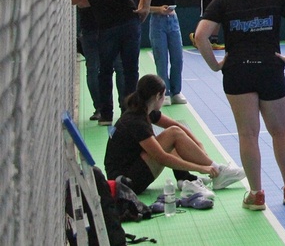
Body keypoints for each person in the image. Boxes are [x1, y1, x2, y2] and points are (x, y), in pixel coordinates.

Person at [194, 0, 285, 210]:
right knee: (280, 131)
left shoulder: (223, 1)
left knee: (248, 134)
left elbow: (201, 35)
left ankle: (256, 194)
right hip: (270, 69)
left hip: (237, 72)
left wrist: (215, 65)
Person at [104, 74, 245, 195]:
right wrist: (201, 168)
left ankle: (185, 179)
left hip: (131, 169)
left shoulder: (145, 108)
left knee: (174, 133)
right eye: (164, 94)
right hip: (126, 183)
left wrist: (198, 143)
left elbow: (177, 126)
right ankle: (218, 172)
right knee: (172, 135)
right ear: (158, 96)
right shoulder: (136, 121)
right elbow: (162, 157)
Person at [72, 0, 154, 125]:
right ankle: (129, 111)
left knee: (105, 70)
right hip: (129, 21)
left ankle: (106, 115)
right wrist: (146, 8)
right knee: (130, 69)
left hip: (106, 26)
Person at [75, 0, 125, 121]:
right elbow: (79, 2)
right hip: (90, 29)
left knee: (119, 66)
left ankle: (124, 107)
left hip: (111, 27)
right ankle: (101, 108)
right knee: (93, 68)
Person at [148, 0, 202, 104]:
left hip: (173, 21)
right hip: (158, 22)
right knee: (161, 59)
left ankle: (176, 91)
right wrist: (158, 9)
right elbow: (144, 7)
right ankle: (164, 92)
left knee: (177, 57)